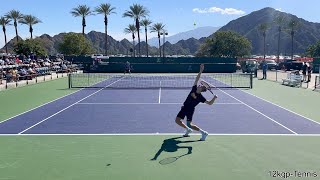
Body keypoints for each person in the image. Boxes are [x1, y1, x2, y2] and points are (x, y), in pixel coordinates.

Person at [175, 64, 218, 141]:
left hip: (190, 110)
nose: (199, 85)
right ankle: (188, 130)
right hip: (184, 107)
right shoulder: (194, 88)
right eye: (200, 85)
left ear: (202, 89)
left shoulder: (201, 97)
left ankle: (203, 133)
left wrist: (214, 98)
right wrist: (201, 71)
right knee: (177, 120)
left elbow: (209, 103)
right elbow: (197, 78)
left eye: (201, 86)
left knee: (190, 124)